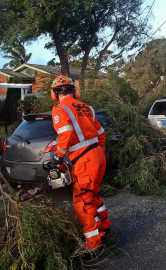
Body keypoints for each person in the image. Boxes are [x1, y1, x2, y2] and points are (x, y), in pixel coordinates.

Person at [50, 75, 111, 250]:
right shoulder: (87, 107)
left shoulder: (60, 108)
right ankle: (104, 226)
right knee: (93, 194)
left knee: (83, 203)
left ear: (54, 94)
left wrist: (58, 157)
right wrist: (99, 152)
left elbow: (67, 134)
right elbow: (101, 132)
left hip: (84, 159)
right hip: (98, 154)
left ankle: (93, 244)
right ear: (74, 91)